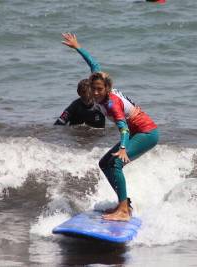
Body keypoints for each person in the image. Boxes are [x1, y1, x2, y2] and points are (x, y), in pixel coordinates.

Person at [89, 72, 159, 221]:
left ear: (107, 88)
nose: (95, 92)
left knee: (116, 163)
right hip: (137, 132)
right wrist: (77, 48)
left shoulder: (112, 105)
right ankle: (124, 204)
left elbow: (124, 129)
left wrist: (122, 149)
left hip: (147, 133)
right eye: (93, 88)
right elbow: (94, 66)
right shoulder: (102, 88)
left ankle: (123, 212)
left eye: (99, 89)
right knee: (104, 163)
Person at [54, 33, 105, 128]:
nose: (90, 95)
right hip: (77, 139)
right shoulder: (75, 106)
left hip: (99, 140)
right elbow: (58, 124)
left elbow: (94, 64)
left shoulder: (101, 103)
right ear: (79, 93)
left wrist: (78, 47)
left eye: (91, 91)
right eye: (84, 93)